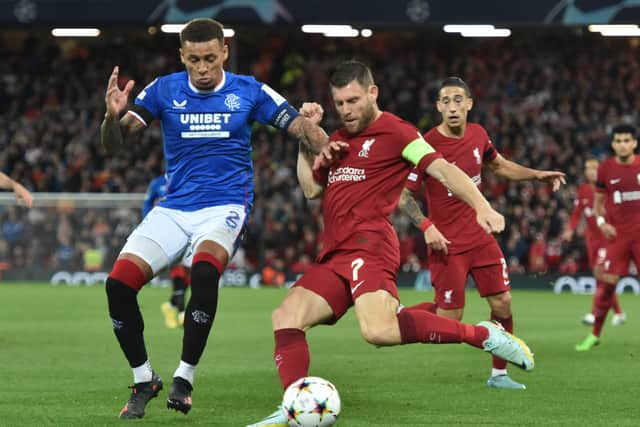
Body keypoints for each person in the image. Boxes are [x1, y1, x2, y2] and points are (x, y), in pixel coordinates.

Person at [247, 61, 534, 427]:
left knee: (378, 331)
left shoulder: (399, 133)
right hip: (334, 252)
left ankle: (482, 335)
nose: (347, 110)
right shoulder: (337, 140)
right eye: (340, 103)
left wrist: (483, 206)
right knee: (285, 317)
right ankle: (293, 405)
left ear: (372, 93)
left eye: (353, 100)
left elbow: (443, 169)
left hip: (371, 246)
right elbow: (311, 189)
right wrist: (308, 137)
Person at [100, 18, 329, 419]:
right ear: (182, 57)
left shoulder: (249, 91)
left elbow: (303, 130)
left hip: (225, 206)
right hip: (174, 208)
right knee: (118, 286)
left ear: (224, 51)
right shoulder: (164, 89)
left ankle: (184, 378)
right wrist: (110, 118)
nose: (202, 68)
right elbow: (115, 147)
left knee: (203, 273)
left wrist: (324, 140)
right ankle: (144, 379)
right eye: (193, 60)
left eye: (209, 58)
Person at [397, 77, 564, 390]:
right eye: (445, 101)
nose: (452, 107)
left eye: (458, 100)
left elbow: (498, 166)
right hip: (447, 244)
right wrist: (425, 225)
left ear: (470, 103)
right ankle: (400, 315)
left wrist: (537, 175)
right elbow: (403, 197)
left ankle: (499, 374)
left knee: (503, 302)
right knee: (449, 318)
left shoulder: (478, 134)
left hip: (480, 236)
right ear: (437, 107)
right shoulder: (426, 143)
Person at [576, 124, 640, 351]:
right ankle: (595, 335)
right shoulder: (605, 169)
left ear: (634, 143)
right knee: (607, 284)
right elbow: (599, 203)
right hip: (618, 236)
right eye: (618, 140)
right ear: (613, 144)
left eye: (627, 140)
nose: (623, 144)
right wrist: (602, 223)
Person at [562, 157, 625, 326]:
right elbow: (576, 213)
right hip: (592, 240)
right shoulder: (582, 190)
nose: (591, 171)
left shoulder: (608, 189)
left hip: (607, 239)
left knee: (601, 276)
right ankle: (618, 313)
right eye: (588, 168)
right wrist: (570, 229)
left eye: (594, 168)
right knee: (601, 277)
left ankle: (594, 314)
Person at [142, 174, 192, 329]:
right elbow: (147, 204)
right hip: (167, 232)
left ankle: (170, 306)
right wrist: (149, 223)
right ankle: (183, 314)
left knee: (188, 273)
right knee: (177, 270)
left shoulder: (187, 178)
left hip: (188, 230)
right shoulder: (157, 183)